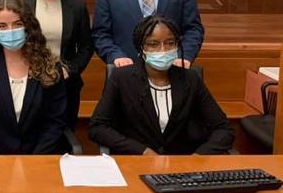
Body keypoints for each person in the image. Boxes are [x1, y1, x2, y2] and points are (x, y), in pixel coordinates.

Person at [88, 14, 234, 155]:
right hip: (135, 163)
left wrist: (199, 157)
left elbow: (223, 129)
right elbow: (97, 127)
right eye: (153, 44)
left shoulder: (190, 79)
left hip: (181, 168)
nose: (163, 50)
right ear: (141, 48)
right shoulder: (122, 78)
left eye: (170, 43)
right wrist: (142, 151)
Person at [0, 0, 67, 154]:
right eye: (2, 26)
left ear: (29, 27)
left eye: (17, 24)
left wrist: (34, 160)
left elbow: (55, 123)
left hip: (38, 160)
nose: (10, 31)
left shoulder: (50, 67)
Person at [24, 0, 92, 130]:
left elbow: (86, 47)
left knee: (63, 135)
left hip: (65, 84)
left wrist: (71, 68)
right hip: (28, 82)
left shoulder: (77, 7)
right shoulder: (22, 6)